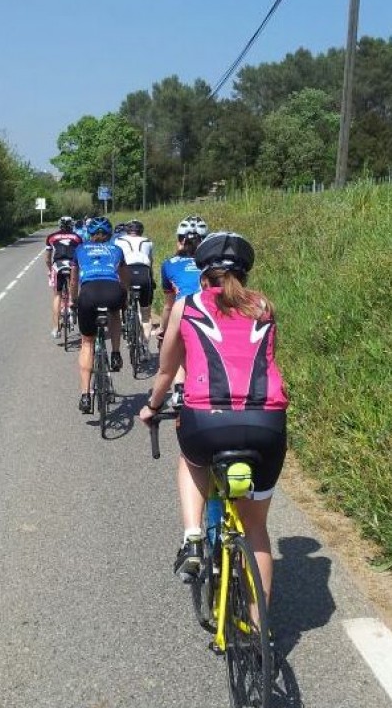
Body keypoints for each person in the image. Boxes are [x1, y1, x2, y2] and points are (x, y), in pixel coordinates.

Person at [139, 231, 288, 605]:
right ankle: (260, 632)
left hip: (206, 421)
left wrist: (153, 407)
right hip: (266, 423)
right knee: (255, 529)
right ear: (245, 274)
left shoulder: (187, 305)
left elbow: (166, 369)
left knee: (191, 461)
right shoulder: (264, 307)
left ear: (202, 274)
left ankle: (192, 536)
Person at [70, 216, 128, 413]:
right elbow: (124, 278)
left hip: (88, 294)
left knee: (87, 343)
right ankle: (116, 353)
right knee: (115, 314)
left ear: (89, 234)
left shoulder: (79, 250)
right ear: (110, 234)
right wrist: (124, 297)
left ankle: (86, 396)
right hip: (112, 290)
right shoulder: (117, 249)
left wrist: (73, 300)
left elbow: (73, 280)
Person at [158, 215, 208, 406]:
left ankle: (179, 390)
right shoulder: (211, 264)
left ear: (180, 240)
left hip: (183, 312)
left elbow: (168, 305)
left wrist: (162, 330)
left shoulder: (169, 264)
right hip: (209, 312)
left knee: (180, 346)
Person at [114, 219, 155, 343]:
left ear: (127, 231)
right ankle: (145, 347)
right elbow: (150, 262)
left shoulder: (118, 241)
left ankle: (126, 320)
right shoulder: (148, 242)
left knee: (123, 300)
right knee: (146, 316)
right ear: (141, 231)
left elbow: (116, 262)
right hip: (144, 273)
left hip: (127, 271)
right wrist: (151, 279)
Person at [45, 217, 82, 338]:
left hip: (58, 265)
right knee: (74, 287)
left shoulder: (51, 237)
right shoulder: (77, 237)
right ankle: (73, 305)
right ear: (71, 225)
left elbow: (47, 258)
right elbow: (81, 254)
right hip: (72, 265)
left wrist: (50, 269)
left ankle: (56, 328)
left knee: (57, 295)